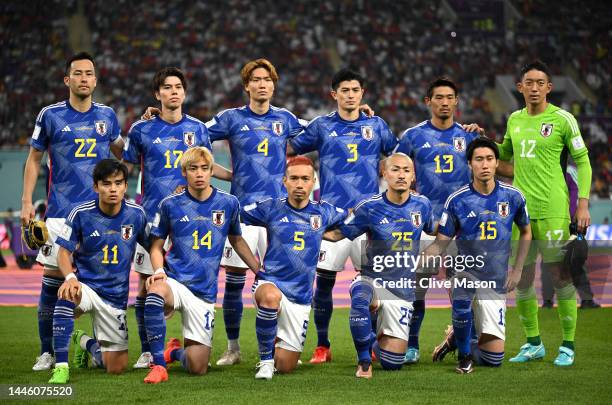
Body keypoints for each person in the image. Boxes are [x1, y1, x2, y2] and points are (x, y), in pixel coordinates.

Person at [21, 52, 124, 371]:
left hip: (101, 215)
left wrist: (148, 127)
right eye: (77, 73)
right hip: (60, 215)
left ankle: (94, 344)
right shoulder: (50, 115)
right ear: (67, 80)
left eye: (88, 73)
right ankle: (47, 351)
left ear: (95, 80)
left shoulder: (107, 116)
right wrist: (26, 201)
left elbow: (125, 150)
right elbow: (35, 159)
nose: (83, 78)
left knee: (99, 282)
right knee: (52, 282)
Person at [122, 67, 231, 369]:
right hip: (151, 217)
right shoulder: (141, 130)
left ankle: (187, 342)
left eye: (178, 86)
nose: (173, 91)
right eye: (167, 87)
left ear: (184, 92)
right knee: (147, 283)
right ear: (157, 94)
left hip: (191, 218)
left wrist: (236, 178)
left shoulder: (197, 129)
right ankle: (147, 350)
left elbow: (208, 166)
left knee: (192, 275)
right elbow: (125, 168)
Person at [287, 68, 397, 364]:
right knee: (323, 284)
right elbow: (287, 147)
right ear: (334, 94)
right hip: (331, 219)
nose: (350, 95)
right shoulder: (321, 126)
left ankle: (373, 342)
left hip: (369, 221)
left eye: (355, 90)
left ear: (362, 94)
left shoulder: (376, 125)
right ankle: (323, 345)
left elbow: (399, 157)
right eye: (345, 91)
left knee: (373, 285)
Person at [393, 77, 493, 363]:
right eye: (439, 97)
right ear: (428, 101)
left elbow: (487, 171)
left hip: (461, 228)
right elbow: (397, 171)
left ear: (457, 101)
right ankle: (411, 345)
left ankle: (467, 342)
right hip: (424, 224)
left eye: (450, 97)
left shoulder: (470, 137)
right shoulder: (412, 136)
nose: (445, 102)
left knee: (461, 289)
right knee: (416, 287)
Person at [499, 61, 591, 367]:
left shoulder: (563, 119)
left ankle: (567, 345)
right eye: (529, 82)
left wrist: (583, 204)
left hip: (553, 210)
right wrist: (481, 139)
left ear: (548, 88)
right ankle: (533, 343)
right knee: (522, 280)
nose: (535, 87)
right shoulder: (514, 119)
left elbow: (584, 162)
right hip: (520, 212)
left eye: (541, 82)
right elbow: (504, 155)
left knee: (560, 277)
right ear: (520, 87)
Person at [142, 147, 259, 384]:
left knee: (198, 367)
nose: (200, 174)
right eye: (193, 169)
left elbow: (236, 240)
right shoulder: (169, 204)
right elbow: (155, 246)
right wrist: (158, 271)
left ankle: (173, 351)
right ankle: (158, 365)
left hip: (204, 293)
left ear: (211, 172)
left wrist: (260, 270)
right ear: (184, 172)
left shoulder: (228, 203)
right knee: (155, 292)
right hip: (175, 281)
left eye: (205, 169)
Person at [323, 153, 436, 378]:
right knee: (361, 295)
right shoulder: (369, 207)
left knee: (393, 363)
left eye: (406, 170)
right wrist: (309, 231)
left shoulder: (423, 205)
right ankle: (364, 361)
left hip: (402, 291)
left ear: (413, 176)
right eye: (395, 169)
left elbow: (434, 231)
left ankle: (373, 338)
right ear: (384, 173)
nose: (401, 175)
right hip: (372, 280)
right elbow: (338, 234)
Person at [430, 138, 531, 373]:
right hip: (464, 272)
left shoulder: (514, 197)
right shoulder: (456, 200)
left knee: (493, 360)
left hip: (495, 280)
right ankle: (464, 357)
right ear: (470, 164)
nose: (484, 164)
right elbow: (441, 243)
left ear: (497, 163)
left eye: (489, 159)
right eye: (478, 159)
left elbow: (526, 232)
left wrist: (517, 270)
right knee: (463, 284)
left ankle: (456, 337)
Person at [241, 156, 347, 380]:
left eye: (305, 179)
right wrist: (255, 266)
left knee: (286, 366)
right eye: (294, 178)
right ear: (284, 181)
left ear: (313, 182)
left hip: (300, 297)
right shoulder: (270, 207)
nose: (300, 184)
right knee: (270, 297)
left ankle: (278, 351)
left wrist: (327, 234)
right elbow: (233, 213)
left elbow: (353, 218)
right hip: (270, 283)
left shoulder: (324, 212)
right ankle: (266, 361)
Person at [47, 160, 148, 384]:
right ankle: (61, 367)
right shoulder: (80, 213)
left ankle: (84, 342)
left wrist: (160, 273)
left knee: (115, 368)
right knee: (66, 293)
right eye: (106, 184)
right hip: (87, 288)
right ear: (96, 187)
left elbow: (154, 247)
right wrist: (70, 278)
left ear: (125, 186)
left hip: (116, 298)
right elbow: (63, 253)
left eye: (118, 183)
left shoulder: (136, 215)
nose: (113, 189)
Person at [541, 164, 600, 309]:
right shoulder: (563, 169)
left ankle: (550, 301)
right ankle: (550, 300)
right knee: (554, 261)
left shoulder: (566, 170)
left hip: (566, 224)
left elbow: (576, 192)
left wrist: (574, 217)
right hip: (559, 222)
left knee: (573, 260)